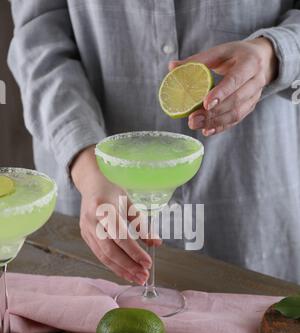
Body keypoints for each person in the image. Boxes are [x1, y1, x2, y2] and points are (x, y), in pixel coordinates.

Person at [8, 1, 300, 283]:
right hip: (95, 197)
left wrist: (274, 55)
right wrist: (89, 167)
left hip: (253, 207)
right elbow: (38, 41)